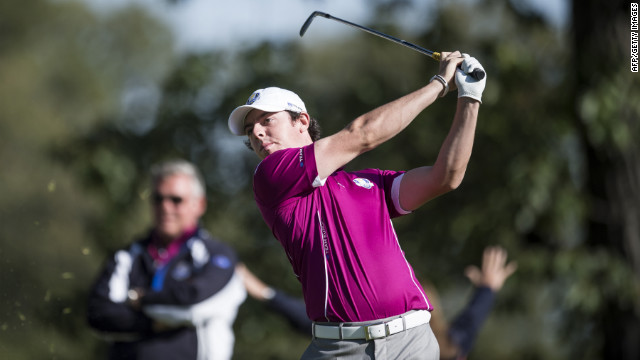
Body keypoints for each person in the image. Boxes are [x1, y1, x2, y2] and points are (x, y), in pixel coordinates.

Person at [228, 51, 486, 359]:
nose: (257, 133)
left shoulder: (368, 183)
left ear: (302, 121)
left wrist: (470, 98)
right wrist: (439, 84)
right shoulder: (270, 178)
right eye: (250, 130)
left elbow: (445, 177)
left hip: (411, 342)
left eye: (267, 120)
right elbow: (362, 135)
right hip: (339, 349)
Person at [87, 160, 246, 360]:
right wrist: (153, 323)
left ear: (200, 204)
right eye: (158, 198)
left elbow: (195, 301)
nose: (165, 206)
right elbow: (98, 312)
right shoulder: (127, 256)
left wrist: (139, 299)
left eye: (176, 199)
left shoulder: (217, 254)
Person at [237, 246, 517, 360]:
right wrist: (488, 289)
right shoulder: (451, 344)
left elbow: (471, 320)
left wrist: (265, 292)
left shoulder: (446, 346)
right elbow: (472, 319)